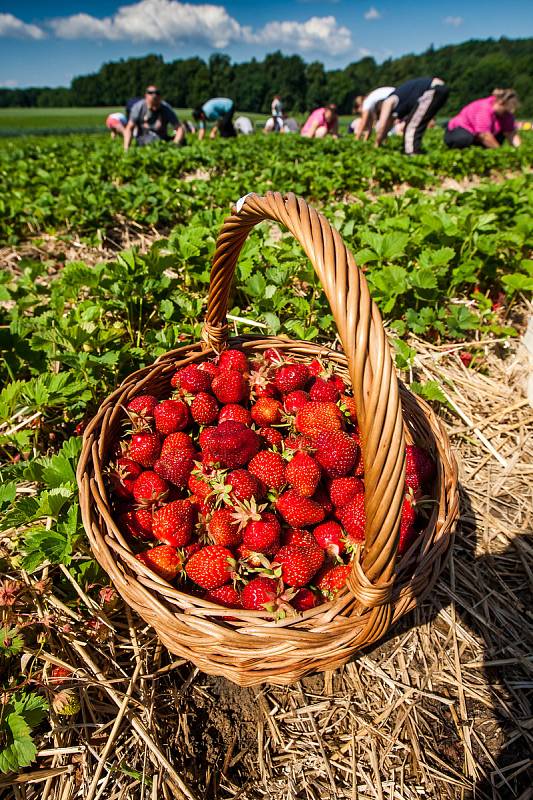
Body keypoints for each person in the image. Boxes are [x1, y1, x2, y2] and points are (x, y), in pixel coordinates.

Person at [375, 77, 449, 154]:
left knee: (411, 127)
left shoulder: (387, 102)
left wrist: (376, 144)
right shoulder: (398, 104)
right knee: (416, 124)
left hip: (432, 89)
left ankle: (412, 155)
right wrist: (382, 138)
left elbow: (382, 124)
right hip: (439, 89)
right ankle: (414, 151)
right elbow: (388, 125)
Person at [444, 89, 521, 149]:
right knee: (464, 139)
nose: (507, 114)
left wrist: (519, 151)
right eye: (505, 111)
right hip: (458, 131)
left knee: (501, 135)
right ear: (500, 103)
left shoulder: (506, 115)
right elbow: (484, 135)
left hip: (478, 136)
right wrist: (500, 153)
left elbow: (511, 134)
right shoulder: (484, 108)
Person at [123, 86, 186, 150]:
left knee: (183, 140)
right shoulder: (138, 107)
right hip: (143, 140)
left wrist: (174, 145)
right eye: (150, 93)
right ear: (146, 96)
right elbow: (129, 128)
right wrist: (126, 148)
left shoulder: (166, 108)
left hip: (162, 141)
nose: (154, 96)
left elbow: (179, 128)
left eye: (157, 93)